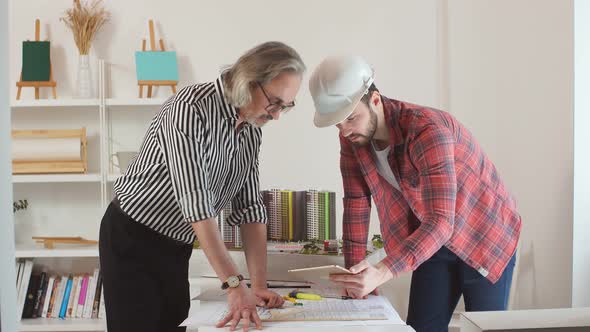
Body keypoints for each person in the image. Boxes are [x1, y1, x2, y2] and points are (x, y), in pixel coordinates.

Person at [99, 41, 305, 332]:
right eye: (274, 102)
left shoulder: (250, 132)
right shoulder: (189, 107)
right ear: (248, 80)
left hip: (177, 244)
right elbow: (196, 204)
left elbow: (250, 209)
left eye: (286, 106)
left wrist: (258, 286)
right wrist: (234, 284)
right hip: (133, 237)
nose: (277, 115)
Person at [308, 56, 521, 332]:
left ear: (374, 100)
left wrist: (382, 272)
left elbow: (443, 220)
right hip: (433, 240)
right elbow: (357, 204)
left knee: (482, 328)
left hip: (484, 234)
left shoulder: (427, 130)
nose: (345, 129)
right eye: (337, 123)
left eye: (350, 117)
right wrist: (355, 276)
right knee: (421, 327)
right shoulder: (352, 138)